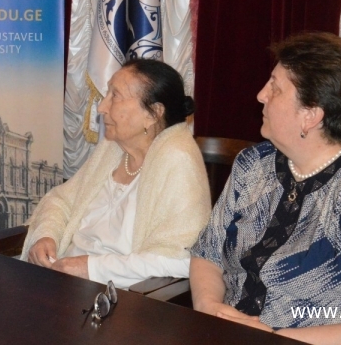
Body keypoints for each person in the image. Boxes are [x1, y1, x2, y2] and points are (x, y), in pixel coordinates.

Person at [190, 32, 341, 344]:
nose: (261, 95)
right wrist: (209, 307)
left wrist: (274, 336)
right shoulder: (255, 163)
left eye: (275, 88)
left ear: (311, 115)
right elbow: (208, 251)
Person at [22, 59, 211, 289]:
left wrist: (91, 268)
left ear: (153, 113)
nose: (102, 107)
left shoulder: (178, 160)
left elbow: (180, 259)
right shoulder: (113, 147)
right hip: (63, 282)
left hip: (117, 297)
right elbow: (63, 200)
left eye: (115, 96)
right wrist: (46, 236)